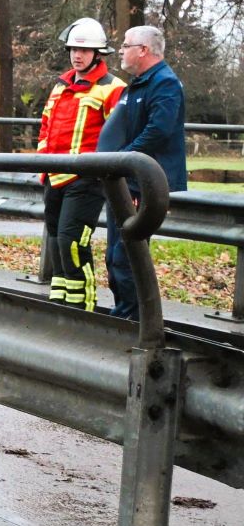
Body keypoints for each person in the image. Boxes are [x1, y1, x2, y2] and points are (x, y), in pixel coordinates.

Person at [95, 25, 187, 320]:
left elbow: (158, 131)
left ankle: (135, 321)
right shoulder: (138, 84)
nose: (120, 50)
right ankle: (124, 314)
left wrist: (126, 158)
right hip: (123, 179)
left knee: (126, 256)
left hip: (142, 184)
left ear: (143, 50)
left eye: (125, 44)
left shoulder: (165, 84)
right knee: (114, 255)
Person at [37, 18, 124, 311]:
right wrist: (43, 168)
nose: (77, 55)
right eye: (73, 49)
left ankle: (82, 307)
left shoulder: (113, 88)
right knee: (55, 241)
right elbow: (46, 128)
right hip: (54, 177)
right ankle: (60, 302)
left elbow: (119, 136)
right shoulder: (60, 86)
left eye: (84, 51)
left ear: (98, 54)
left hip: (87, 180)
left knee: (72, 242)